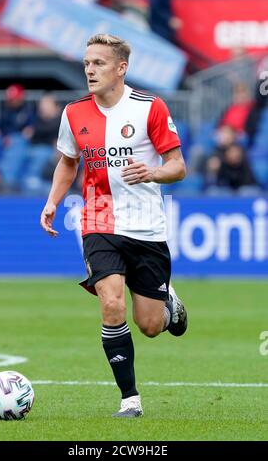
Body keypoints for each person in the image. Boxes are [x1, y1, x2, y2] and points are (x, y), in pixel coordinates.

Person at [40, 34, 188, 418]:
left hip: (147, 226)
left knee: (151, 326)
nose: (90, 70)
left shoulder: (150, 107)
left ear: (121, 68)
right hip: (98, 219)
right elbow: (68, 162)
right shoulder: (73, 112)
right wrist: (53, 201)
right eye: (87, 63)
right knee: (111, 302)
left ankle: (167, 300)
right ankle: (130, 399)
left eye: (99, 63)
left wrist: (153, 171)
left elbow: (178, 165)